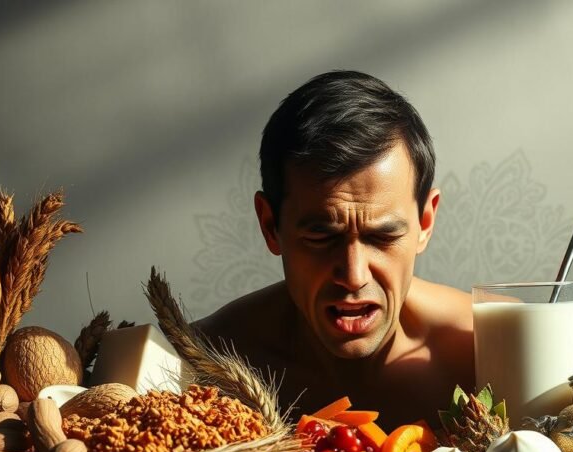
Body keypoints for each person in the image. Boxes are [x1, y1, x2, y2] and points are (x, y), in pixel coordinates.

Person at [194, 71, 473, 428]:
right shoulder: (202, 365)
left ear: (426, 222)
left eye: (382, 237)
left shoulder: (494, 346)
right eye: (321, 238)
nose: (354, 275)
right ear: (270, 225)